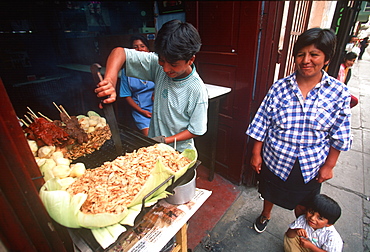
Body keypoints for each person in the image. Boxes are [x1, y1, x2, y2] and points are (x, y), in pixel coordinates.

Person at [246, 28, 352, 233]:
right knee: (269, 191)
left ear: (326, 58)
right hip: (275, 158)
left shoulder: (339, 92)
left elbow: (340, 135)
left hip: (311, 163)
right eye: (301, 54)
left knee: (304, 202)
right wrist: (256, 153)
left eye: (314, 54)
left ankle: (300, 227)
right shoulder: (279, 88)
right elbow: (262, 121)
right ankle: (265, 214)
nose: (306, 60)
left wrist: (329, 166)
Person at [95, 19, 208, 152]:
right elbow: (119, 53)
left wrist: (164, 140)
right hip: (155, 148)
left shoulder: (196, 89)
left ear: (190, 60)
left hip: (179, 152)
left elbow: (196, 130)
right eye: (162, 60)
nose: (165, 69)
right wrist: (110, 81)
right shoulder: (157, 65)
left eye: (173, 64)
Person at [119, 34, 155, 136]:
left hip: (159, 108)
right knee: (151, 138)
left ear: (148, 49)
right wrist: (142, 112)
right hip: (141, 110)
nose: (139, 49)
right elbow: (126, 95)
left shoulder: (156, 66)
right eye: (135, 47)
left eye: (142, 46)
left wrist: (156, 91)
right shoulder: (126, 71)